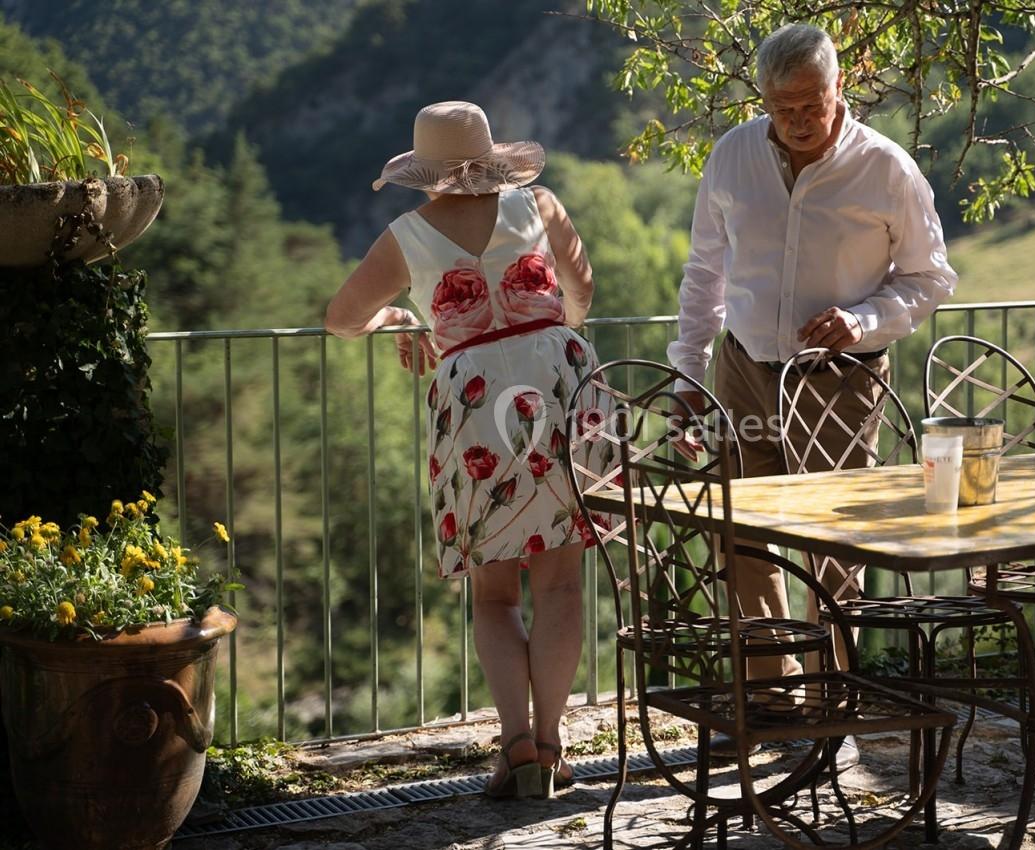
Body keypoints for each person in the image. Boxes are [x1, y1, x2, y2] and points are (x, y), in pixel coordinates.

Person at [667, 24, 958, 763]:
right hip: (743, 368)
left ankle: (836, 704)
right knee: (742, 538)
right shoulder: (733, 154)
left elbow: (930, 279)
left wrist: (862, 319)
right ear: (761, 96)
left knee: (833, 549)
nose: (795, 119)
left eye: (810, 103)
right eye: (779, 105)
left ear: (839, 90)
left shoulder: (886, 169)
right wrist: (688, 371)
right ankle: (774, 702)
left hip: (841, 382)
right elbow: (705, 272)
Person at [325, 101, 607, 800]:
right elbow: (583, 289)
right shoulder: (538, 205)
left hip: (474, 399)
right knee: (562, 585)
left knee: (493, 593)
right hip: (559, 389)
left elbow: (340, 319)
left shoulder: (408, 235)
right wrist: (544, 333)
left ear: (424, 175)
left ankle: (515, 746)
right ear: (490, 159)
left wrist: (403, 317)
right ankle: (551, 740)